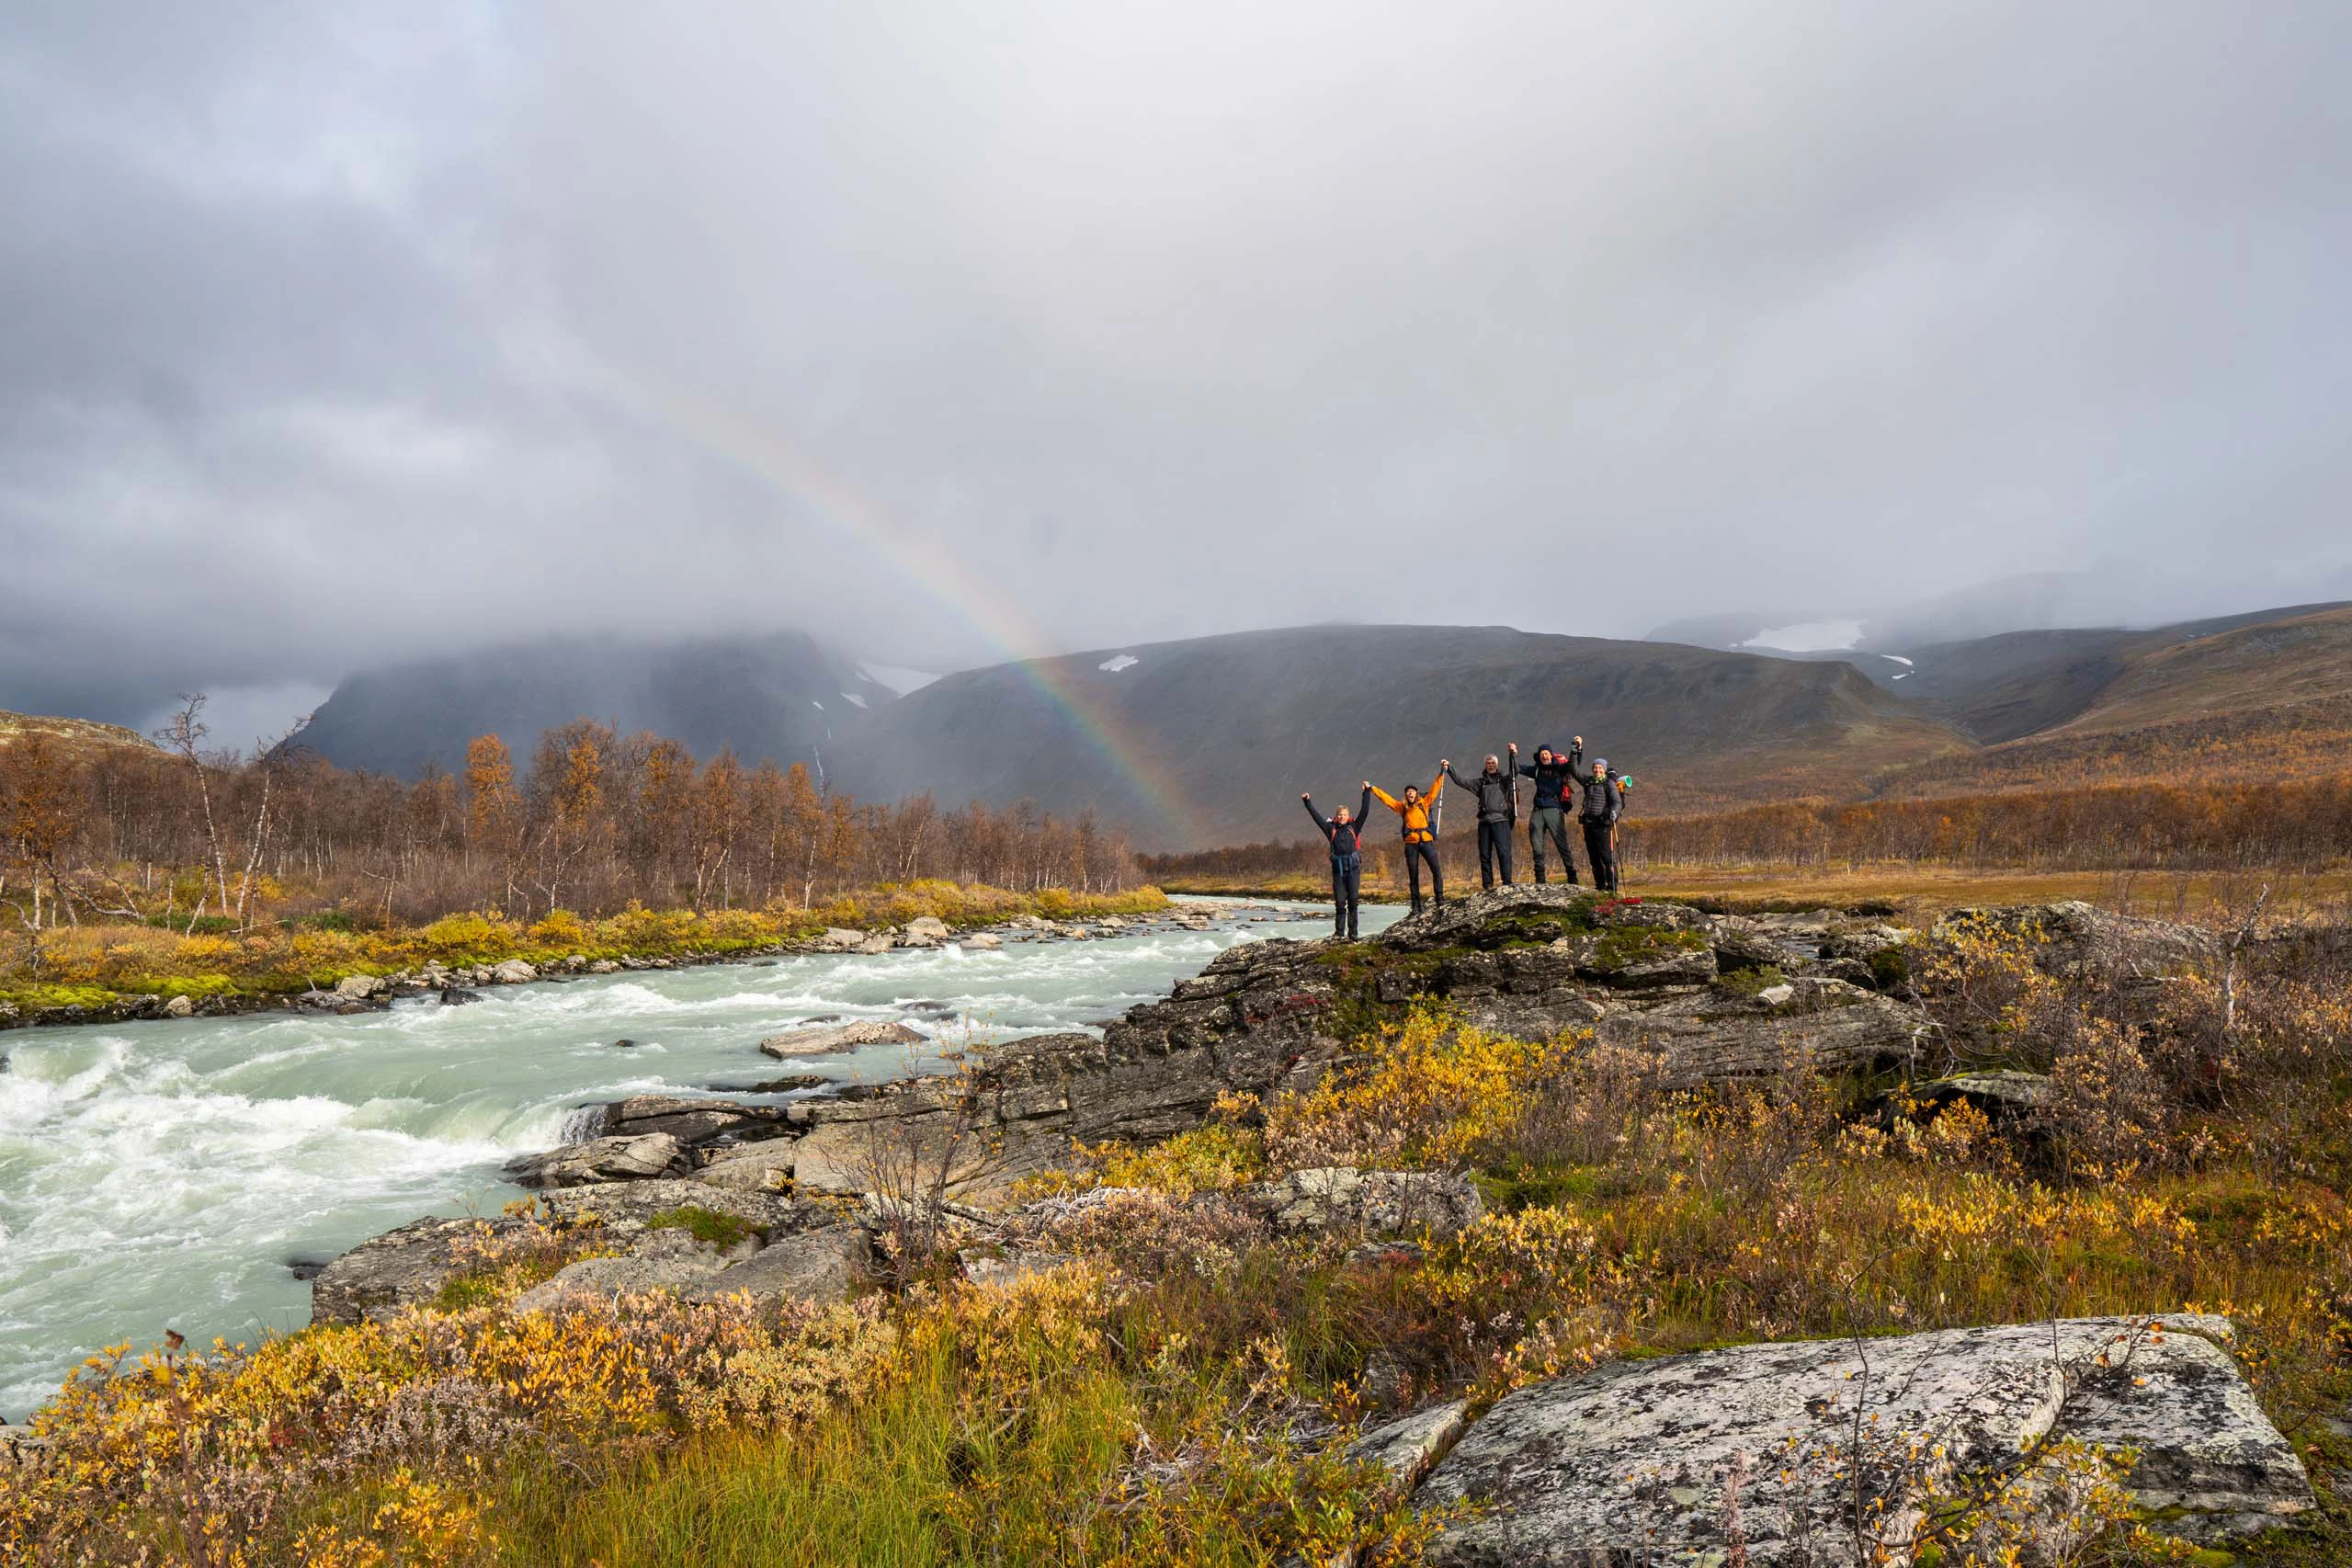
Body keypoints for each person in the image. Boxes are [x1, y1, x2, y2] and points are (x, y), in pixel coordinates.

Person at [1369, 769, 1447, 915]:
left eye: (1412, 791)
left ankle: (1440, 898)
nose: (1410, 793)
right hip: (1411, 844)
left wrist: (1441, 773)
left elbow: (1435, 789)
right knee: (1413, 875)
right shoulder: (1402, 807)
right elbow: (1387, 800)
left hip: (1426, 841)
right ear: (1406, 795)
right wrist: (1373, 788)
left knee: (1436, 869)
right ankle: (1416, 906)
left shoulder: (1425, 803)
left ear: (1416, 793)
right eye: (1408, 792)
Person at [1301, 784, 1374, 937]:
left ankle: (1353, 934)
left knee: (1353, 902)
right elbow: (1317, 818)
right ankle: (1339, 933)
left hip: (1353, 871)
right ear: (1336, 816)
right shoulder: (1330, 829)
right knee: (1340, 903)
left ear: (1348, 816)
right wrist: (1307, 802)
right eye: (1339, 814)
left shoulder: (1355, 827)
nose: (1341, 817)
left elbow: (1365, 811)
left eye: (1344, 814)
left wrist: (1366, 792)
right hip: (1338, 872)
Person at [1443, 754, 1517, 889]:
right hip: (1484, 822)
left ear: (1497, 764)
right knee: (1484, 854)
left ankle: (1507, 882)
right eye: (1488, 763)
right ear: (1485, 765)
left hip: (1501, 820)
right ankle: (1487, 885)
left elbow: (1514, 771)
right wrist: (1449, 769)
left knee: (1504, 853)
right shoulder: (1480, 783)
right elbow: (1461, 781)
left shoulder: (1505, 781)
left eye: (1493, 762)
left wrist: (1512, 755)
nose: (1490, 764)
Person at [1515, 743, 1579, 885]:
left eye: (1546, 753)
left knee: (1561, 844)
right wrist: (1513, 754)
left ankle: (1572, 876)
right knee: (1536, 844)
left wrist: (1576, 750)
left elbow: (1573, 767)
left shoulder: (1560, 769)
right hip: (1537, 809)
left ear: (1551, 755)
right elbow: (1517, 768)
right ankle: (1540, 879)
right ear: (1539, 756)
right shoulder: (1536, 770)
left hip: (1554, 809)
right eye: (1542, 754)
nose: (1544, 755)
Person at [1566, 736, 1622, 893]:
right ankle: (1600, 886)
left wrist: (1614, 813)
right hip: (1589, 824)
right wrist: (1575, 750)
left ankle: (1612, 888)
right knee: (1594, 858)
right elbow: (1573, 769)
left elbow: (1617, 802)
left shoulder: (1609, 784)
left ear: (1604, 770)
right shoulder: (1588, 781)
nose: (1597, 770)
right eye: (1595, 767)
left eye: (1600, 768)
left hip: (1603, 825)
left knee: (1606, 857)